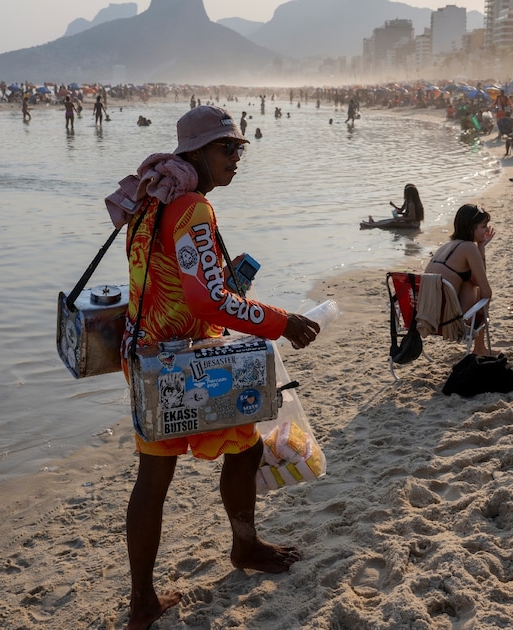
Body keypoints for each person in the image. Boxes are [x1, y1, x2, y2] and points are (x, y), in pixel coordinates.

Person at [121, 105, 320, 630]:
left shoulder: (151, 201)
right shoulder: (191, 209)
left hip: (147, 356)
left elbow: (172, 280)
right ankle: (245, 547)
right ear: (196, 153)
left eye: (239, 148)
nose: (236, 157)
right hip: (185, 363)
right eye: (225, 149)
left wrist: (220, 286)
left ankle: (142, 601)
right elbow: (210, 302)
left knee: (161, 474)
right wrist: (282, 321)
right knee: (243, 446)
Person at [423, 204, 495, 355]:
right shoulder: (469, 247)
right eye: (483, 226)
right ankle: (480, 348)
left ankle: (480, 348)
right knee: (476, 289)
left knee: (469, 283)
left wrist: (481, 246)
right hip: (449, 322)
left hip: (427, 317)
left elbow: (475, 281)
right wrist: (479, 249)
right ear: (471, 228)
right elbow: (486, 290)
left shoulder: (446, 246)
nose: (487, 230)